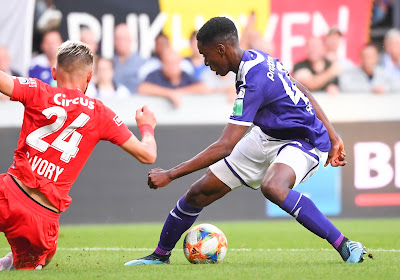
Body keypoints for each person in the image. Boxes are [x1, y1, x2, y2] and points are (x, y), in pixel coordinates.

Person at [125, 17, 368, 266]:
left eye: (205, 55)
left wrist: (170, 174)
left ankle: (345, 245)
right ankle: (160, 256)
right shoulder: (255, 59)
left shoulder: (254, 79)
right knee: (199, 193)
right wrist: (335, 135)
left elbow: (225, 146)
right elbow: (300, 88)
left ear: (221, 49)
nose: (205, 62)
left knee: (273, 187)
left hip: (304, 140)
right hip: (267, 136)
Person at [0, 40, 157, 270]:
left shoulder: (37, 90)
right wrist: (147, 126)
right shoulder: (100, 113)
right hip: (41, 221)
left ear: (54, 72)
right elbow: (148, 155)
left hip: (9, 193)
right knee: (35, 262)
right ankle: (12, 263)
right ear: (89, 77)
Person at [138, 47, 212, 107]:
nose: (172, 66)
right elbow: (143, 88)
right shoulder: (155, 75)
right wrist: (169, 94)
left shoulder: (185, 75)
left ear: (180, 63)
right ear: (162, 63)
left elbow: (204, 88)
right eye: (168, 62)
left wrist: (179, 92)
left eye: (174, 62)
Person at [113, 23, 146, 93]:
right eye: (118, 39)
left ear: (131, 39)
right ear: (114, 41)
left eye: (124, 38)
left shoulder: (142, 63)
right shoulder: (109, 63)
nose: (121, 42)